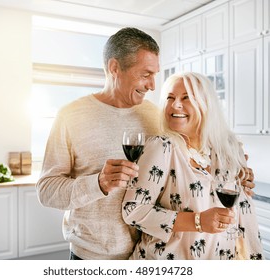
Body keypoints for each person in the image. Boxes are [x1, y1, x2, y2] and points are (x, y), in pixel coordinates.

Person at [36, 27, 256, 260]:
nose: (152, 85)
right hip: (91, 256)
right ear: (114, 68)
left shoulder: (157, 117)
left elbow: (190, 158)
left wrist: (236, 174)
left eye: (154, 75)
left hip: (147, 254)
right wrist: (98, 183)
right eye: (145, 74)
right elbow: (47, 191)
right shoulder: (70, 116)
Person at [122, 72, 263, 260]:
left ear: (206, 104)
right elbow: (133, 210)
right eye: (170, 98)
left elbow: (244, 213)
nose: (175, 105)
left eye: (186, 98)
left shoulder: (230, 148)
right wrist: (198, 221)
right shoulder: (162, 147)